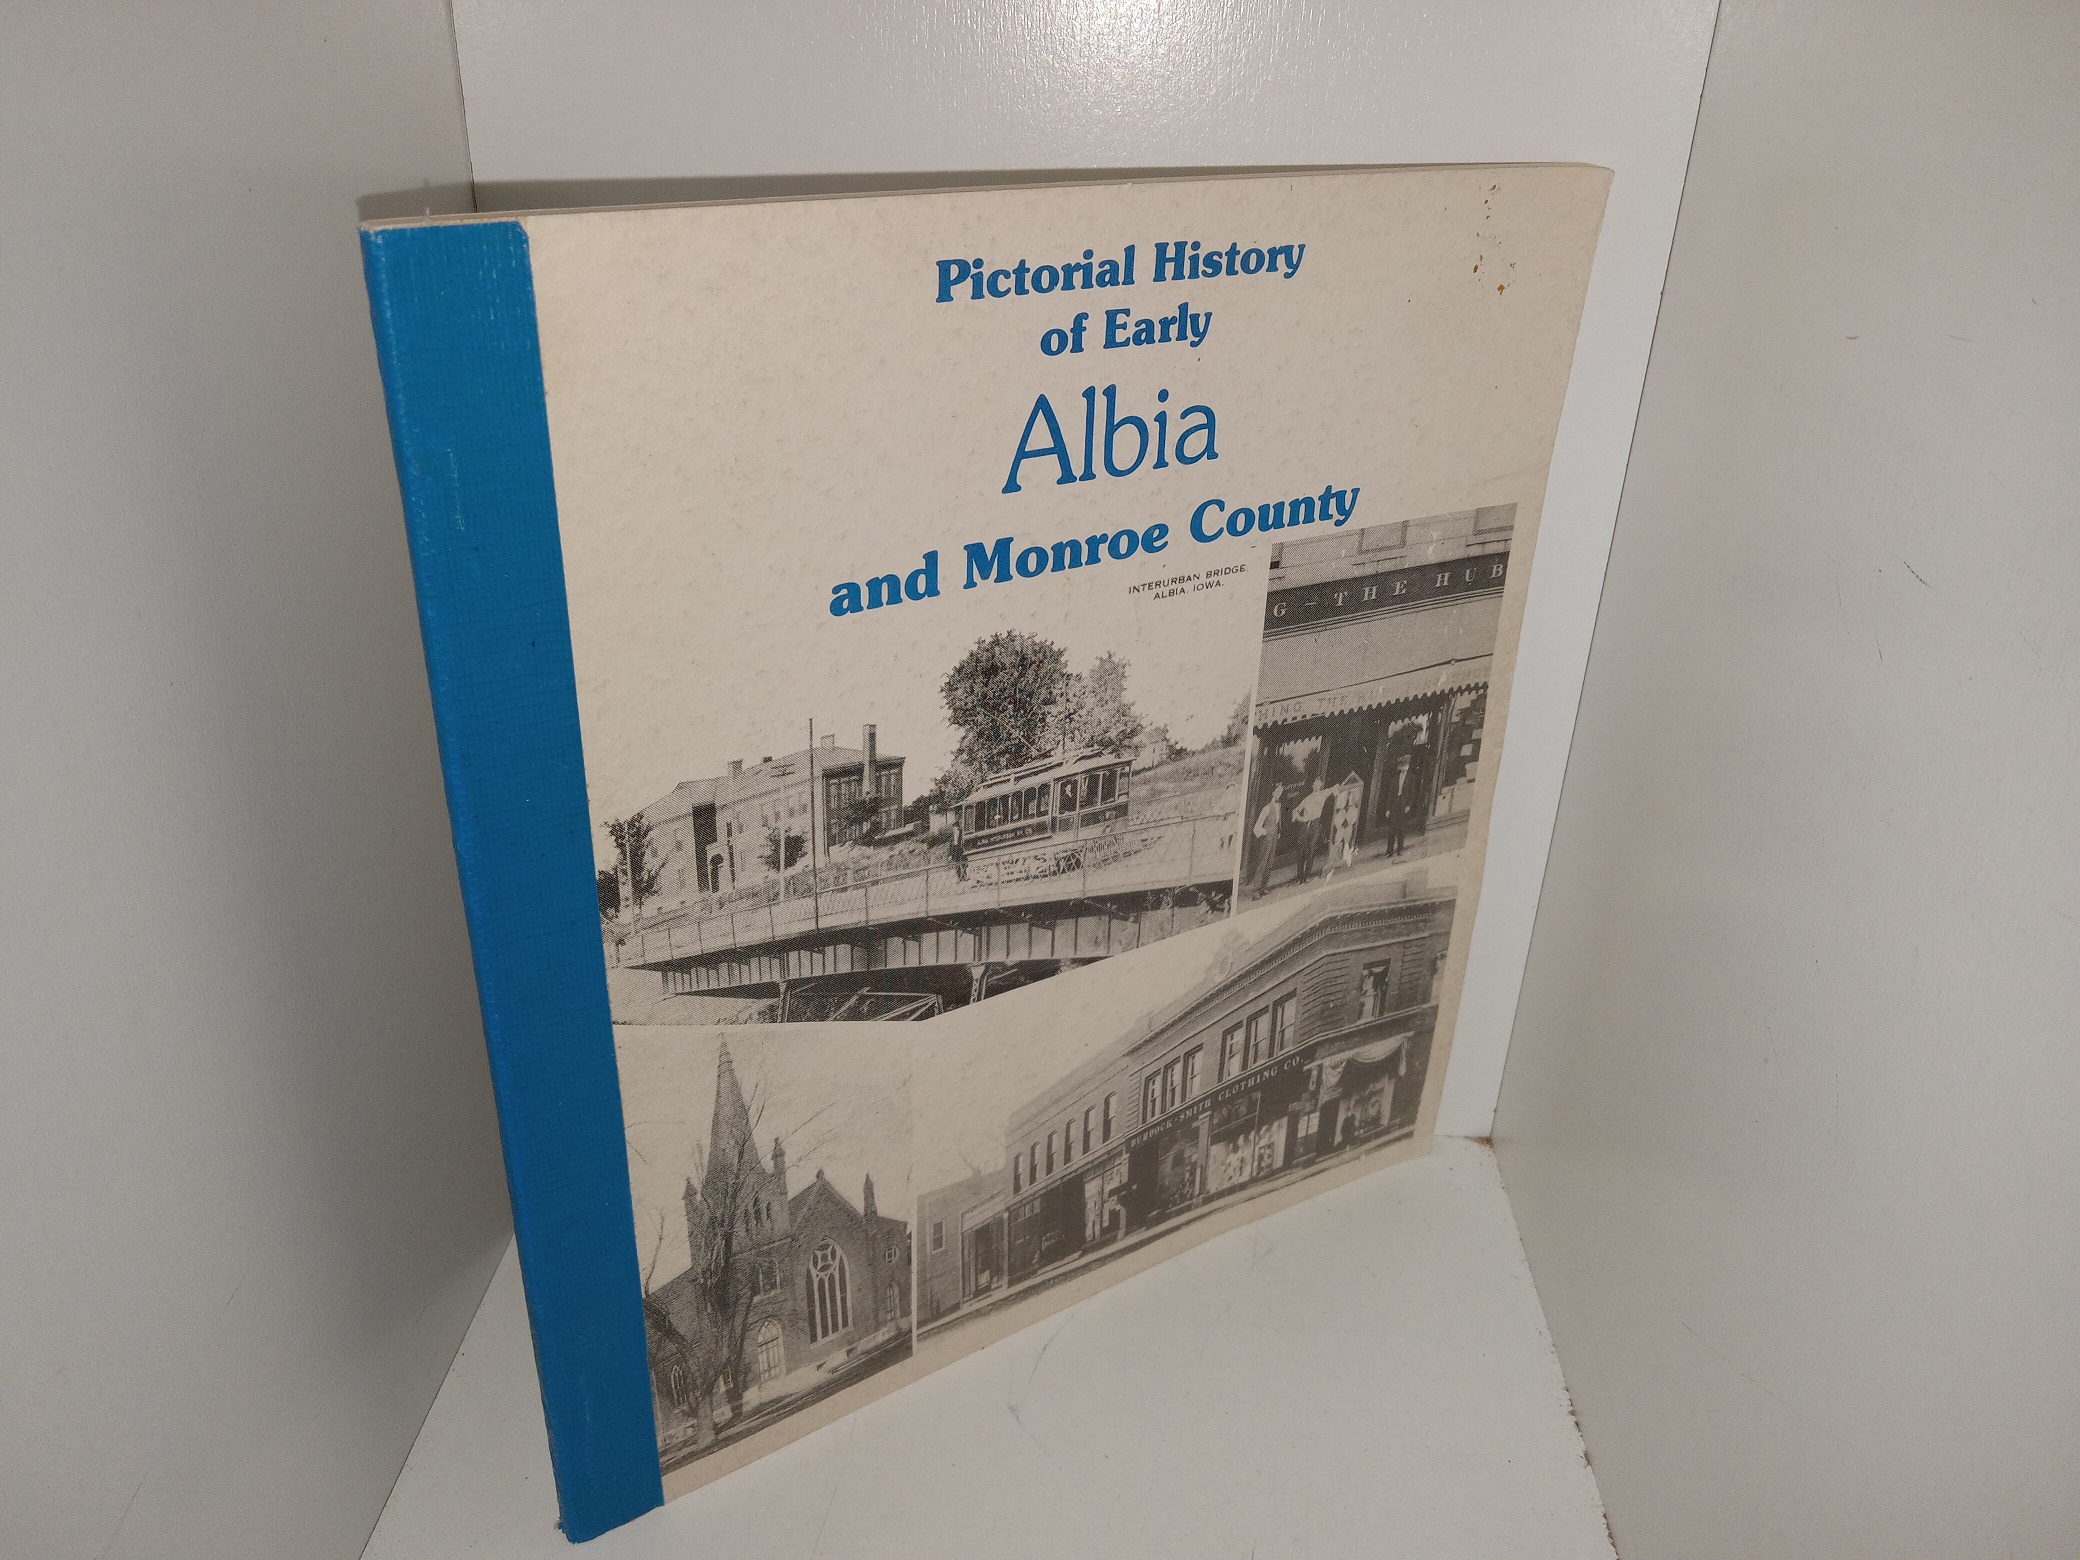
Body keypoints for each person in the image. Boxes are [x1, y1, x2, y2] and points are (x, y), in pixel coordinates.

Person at [1289, 775, 1332, 883]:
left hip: (1315, 824)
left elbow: (1335, 788)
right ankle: (1299, 877)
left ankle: (1307, 875)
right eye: (1314, 783)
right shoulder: (1307, 799)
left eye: (1318, 783)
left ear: (1321, 784)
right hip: (1305, 825)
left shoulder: (1324, 793)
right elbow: (1296, 810)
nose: (1316, 785)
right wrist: (1297, 816)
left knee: (1311, 850)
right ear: (1313, 785)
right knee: (1301, 851)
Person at [1248, 783, 1285, 898]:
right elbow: (1256, 827)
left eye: (1281, 792)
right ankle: (1256, 891)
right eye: (1277, 791)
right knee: (1262, 863)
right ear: (1273, 793)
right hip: (1267, 838)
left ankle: (1263, 887)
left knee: (1269, 863)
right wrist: (1266, 832)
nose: (1279, 793)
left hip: (1274, 838)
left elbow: (1277, 821)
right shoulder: (1267, 808)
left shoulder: (1279, 806)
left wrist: (1278, 832)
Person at [1328, 770, 1363, 876]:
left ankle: (1346, 857)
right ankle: (1334, 858)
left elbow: (1356, 803)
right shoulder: (1340, 790)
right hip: (1341, 812)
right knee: (1338, 834)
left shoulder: (1355, 789)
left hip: (1350, 812)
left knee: (1348, 832)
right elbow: (1337, 803)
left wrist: (1354, 793)